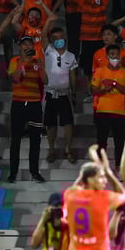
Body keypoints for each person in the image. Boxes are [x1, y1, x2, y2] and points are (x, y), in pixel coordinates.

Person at [8, 36, 47, 183]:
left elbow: (45, 80)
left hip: (34, 104)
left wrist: (41, 66)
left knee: (35, 140)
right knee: (16, 139)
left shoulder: (38, 62)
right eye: (23, 44)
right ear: (20, 47)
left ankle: (35, 172)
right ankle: (13, 173)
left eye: (29, 44)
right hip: (18, 104)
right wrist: (22, 62)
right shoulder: (14, 61)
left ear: (33, 46)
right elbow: (16, 78)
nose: (26, 46)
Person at [43, 25, 79, 164]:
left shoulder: (70, 56)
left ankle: (68, 149)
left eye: (61, 37)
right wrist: (49, 20)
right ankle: (52, 150)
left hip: (65, 95)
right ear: (52, 40)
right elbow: (43, 36)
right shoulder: (48, 51)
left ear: (65, 38)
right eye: (55, 38)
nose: (59, 40)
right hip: (51, 94)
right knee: (51, 124)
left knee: (68, 123)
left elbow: (73, 76)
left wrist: (74, 92)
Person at [91, 44, 125, 167]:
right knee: (101, 141)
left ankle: (119, 166)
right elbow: (93, 90)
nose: (115, 57)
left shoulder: (124, 72)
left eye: (117, 54)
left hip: (119, 111)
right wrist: (104, 90)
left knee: (119, 141)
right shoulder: (100, 71)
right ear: (107, 56)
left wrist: (113, 83)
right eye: (112, 54)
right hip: (102, 110)